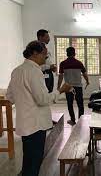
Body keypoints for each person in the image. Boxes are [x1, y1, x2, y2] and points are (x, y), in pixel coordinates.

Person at [6, 41, 72, 176]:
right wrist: (61, 90)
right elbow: (42, 100)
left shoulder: (17, 70)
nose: (45, 58)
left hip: (25, 125)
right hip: (36, 125)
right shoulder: (34, 71)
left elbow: (10, 97)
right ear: (35, 53)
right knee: (34, 163)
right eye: (44, 55)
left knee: (28, 161)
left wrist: (23, 99)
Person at [57, 47, 89, 126]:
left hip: (68, 87)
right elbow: (85, 74)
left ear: (67, 53)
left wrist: (59, 86)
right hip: (78, 86)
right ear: (74, 53)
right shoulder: (79, 63)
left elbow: (60, 76)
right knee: (80, 104)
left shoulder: (63, 63)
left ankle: (72, 120)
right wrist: (87, 81)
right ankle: (80, 120)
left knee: (70, 103)